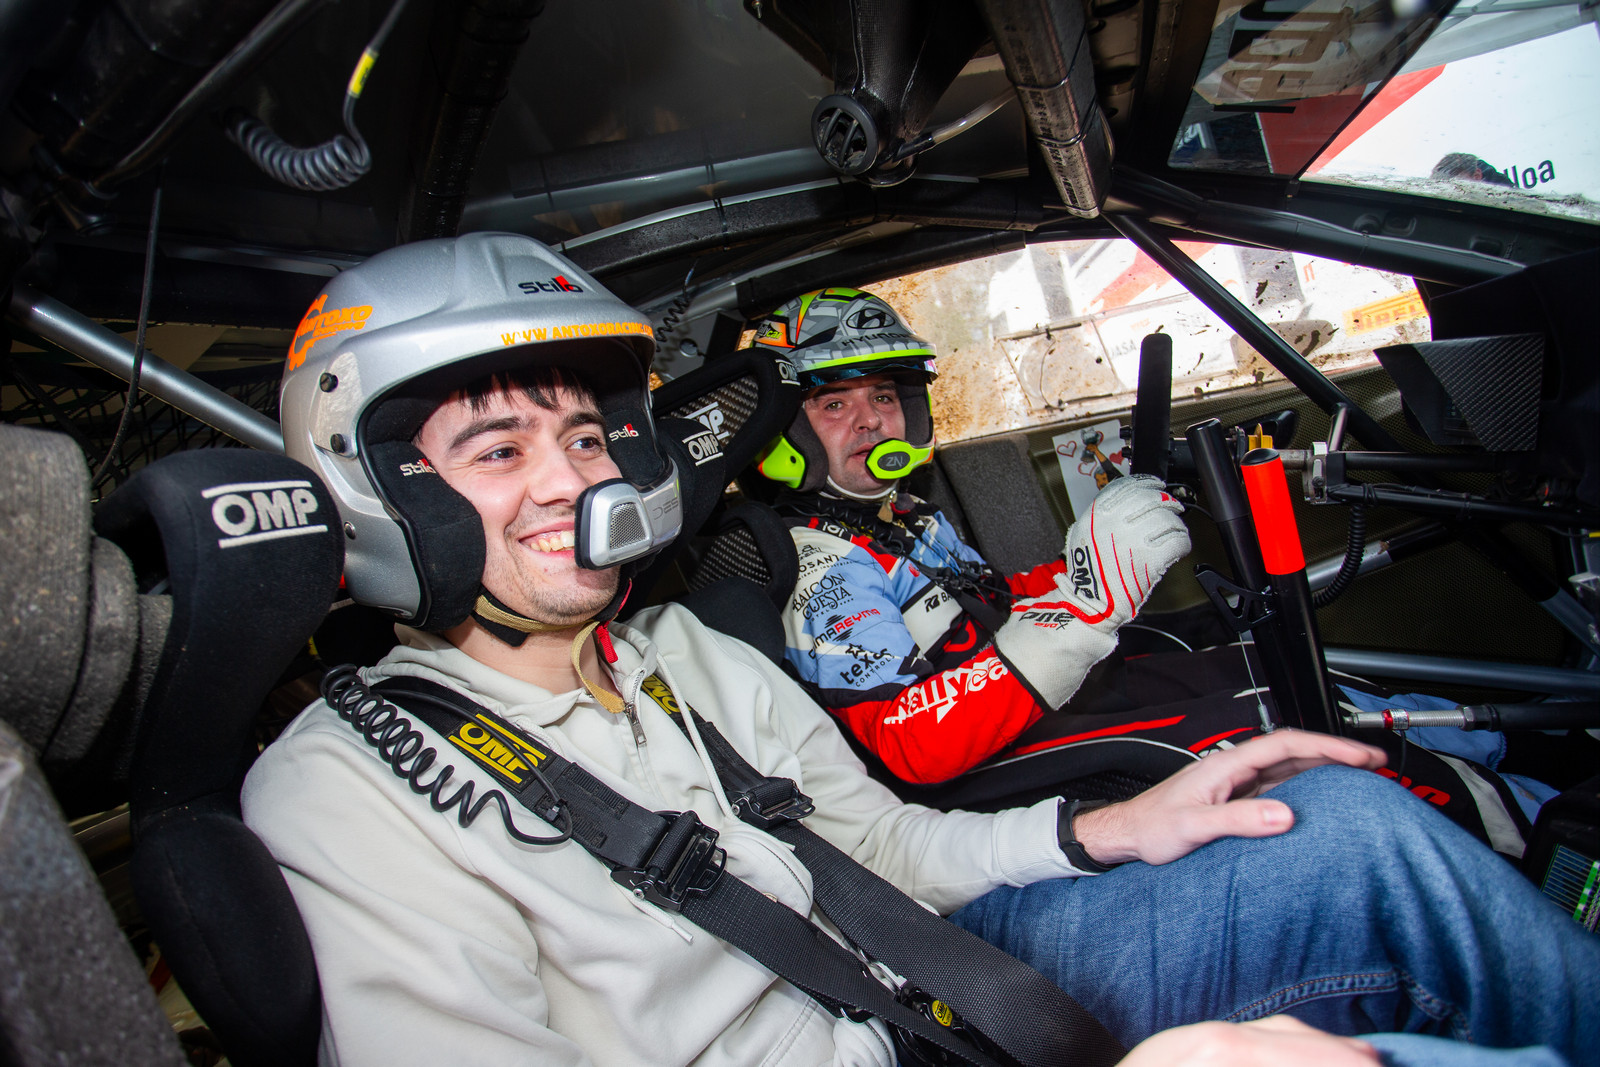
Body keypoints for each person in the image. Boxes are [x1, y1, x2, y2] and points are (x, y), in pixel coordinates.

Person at [245, 234, 1597, 1067]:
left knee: (1350, 828)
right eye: (498, 449)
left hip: (933, 989)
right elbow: (921, 733)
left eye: (588, 436)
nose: (571, 479)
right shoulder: (348, 788)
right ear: (382, 494)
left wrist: (1107, 829)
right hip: (904, 1026)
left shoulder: (680, 655)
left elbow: (886, 849)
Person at [750, 287, 1258, 785]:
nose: (871, 420)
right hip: (974, 758)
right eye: (833, 404)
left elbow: (995, 599)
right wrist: (1088, 605)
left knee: (1248, 668)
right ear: (787, 429)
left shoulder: (905, 512)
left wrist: (1097, 562)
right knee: (1253, 730)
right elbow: (909, 742)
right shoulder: (821, 565)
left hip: (1018, 699)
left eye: (883, 395)